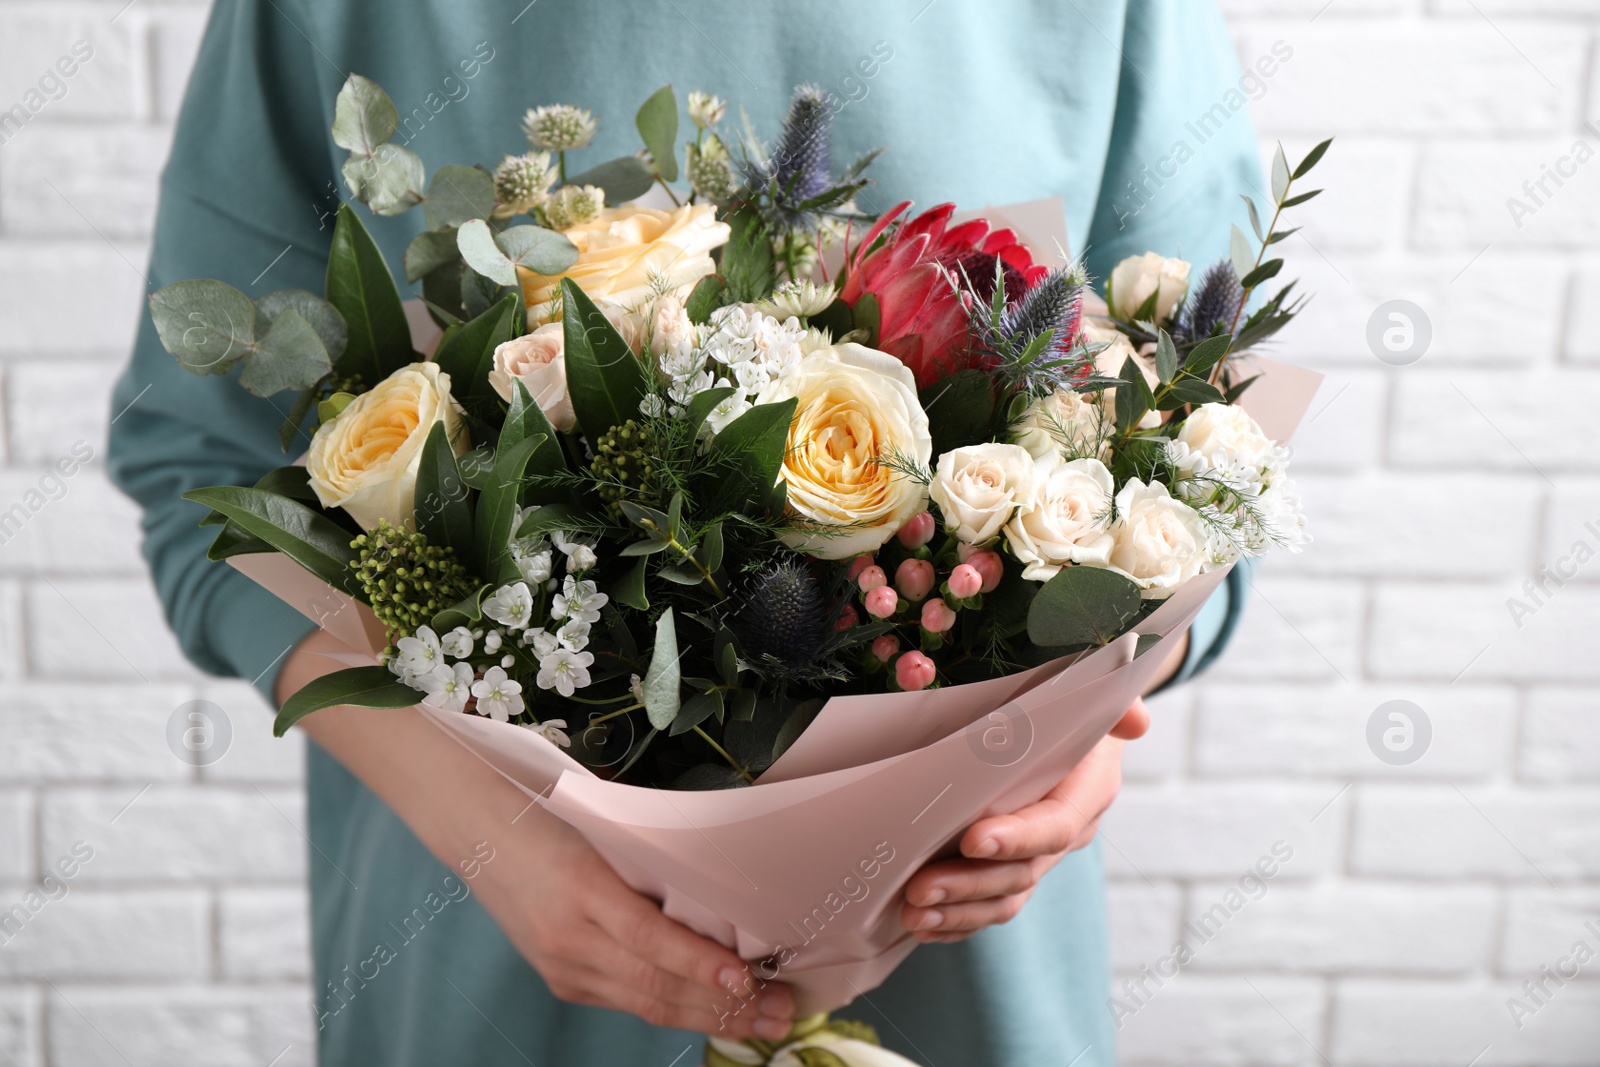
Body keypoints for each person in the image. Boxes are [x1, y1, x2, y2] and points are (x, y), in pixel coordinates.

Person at [108, 1, 1258, 1062]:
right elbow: (199, 467)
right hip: (483, 960)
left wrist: (1083, 744)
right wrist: (484, 831)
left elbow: (1217, 453)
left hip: (961, 959)